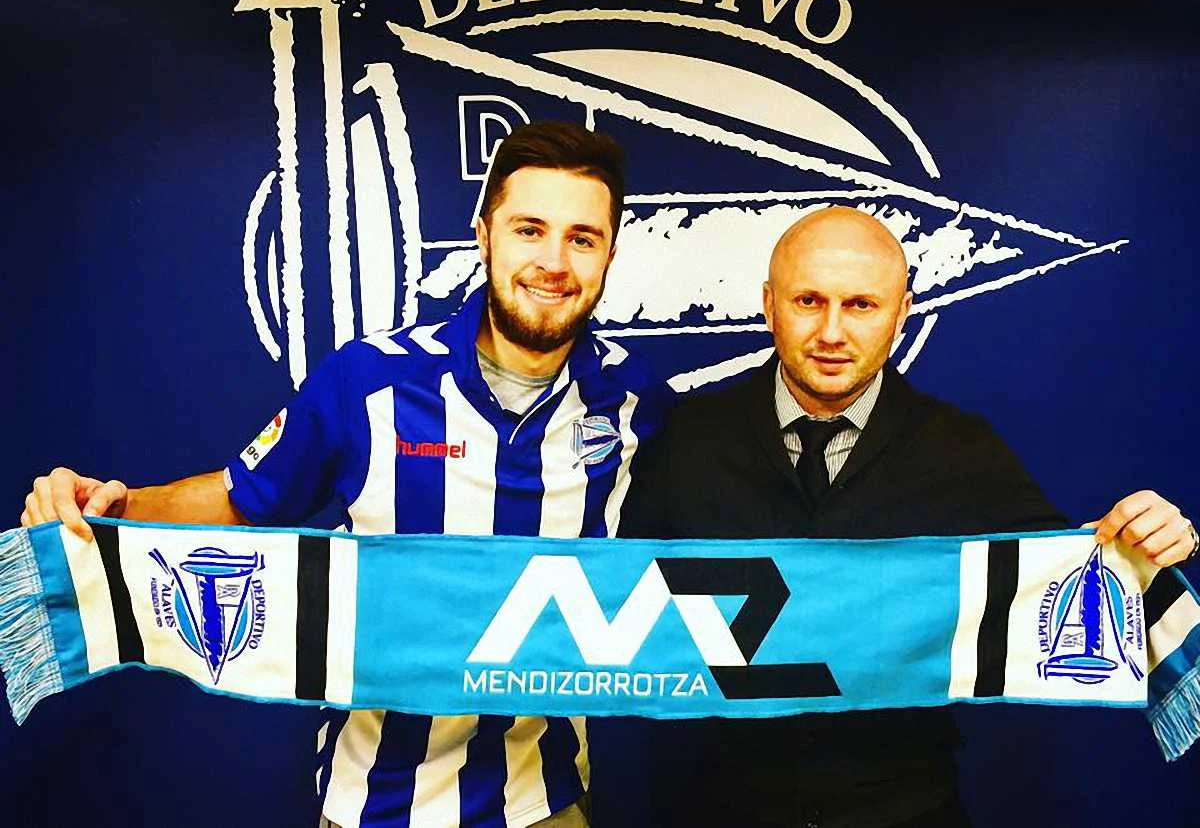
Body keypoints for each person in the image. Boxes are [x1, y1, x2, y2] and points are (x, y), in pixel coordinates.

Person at [20, 121, 670, 828]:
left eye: (582, 238)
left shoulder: (633, 399)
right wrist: (111, 508)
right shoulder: (368, 381)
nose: (553, 261)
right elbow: (241, 499)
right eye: (529, 230)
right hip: (374, 807)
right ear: (484, 237)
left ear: (610, 254)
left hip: (545, 801)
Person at [616, 205, 1196, 828]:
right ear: (769, 305)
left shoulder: (963, 450)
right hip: (722, 806)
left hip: (908, 807)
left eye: (861, 305)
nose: (831, 332)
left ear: (901, 313)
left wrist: (1156, 539)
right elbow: (608, 588)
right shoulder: (687, 439)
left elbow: (1061, 574)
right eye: (809, 301)